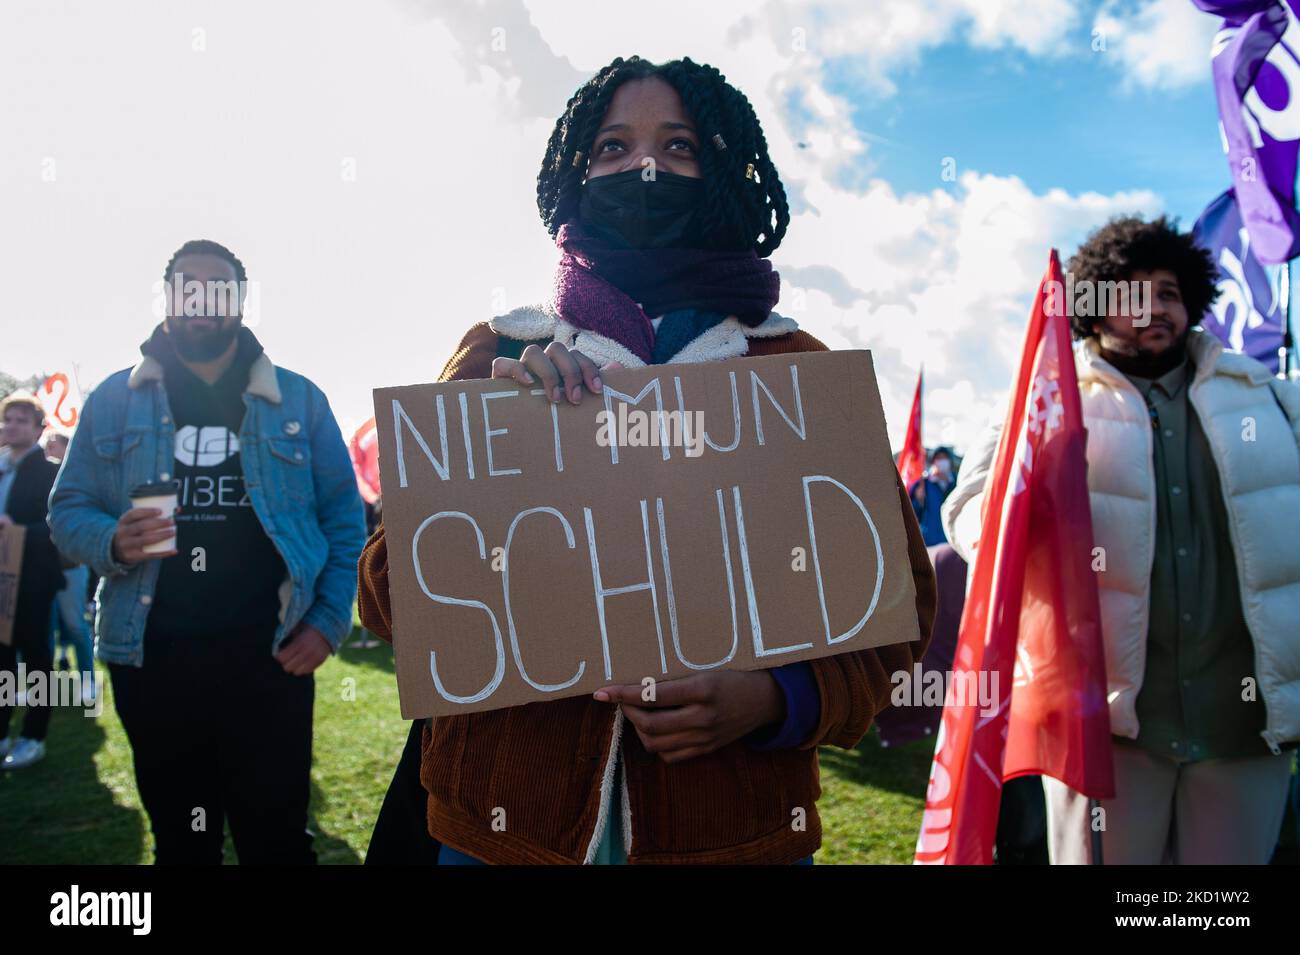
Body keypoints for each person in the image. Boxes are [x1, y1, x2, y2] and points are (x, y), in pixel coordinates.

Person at [359, 56, 936, 865]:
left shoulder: (797, 372)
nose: (646, 168)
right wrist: (500, 447)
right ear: (574, 172)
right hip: (501, 834)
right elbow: (388, 602)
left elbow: (894, 606)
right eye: (612, 148)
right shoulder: (502, 351)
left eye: (680, 146)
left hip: (735, 834)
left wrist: (776, 697)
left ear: (724, 172)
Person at [943, 215, 1300, 864]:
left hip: (1244, 727)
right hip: (1102, 727)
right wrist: (1027, 525)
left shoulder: (1264, 396)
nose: (1154, 307)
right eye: (1132, 294)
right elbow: (970, 508)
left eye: (1168, 291)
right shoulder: (1047, 397)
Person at [48, 239, 366, 864]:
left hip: (271, 660)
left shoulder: (300, 399)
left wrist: (329, 623)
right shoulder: (115, 399)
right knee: (182, 844)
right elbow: (67, 510)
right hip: (151, 660)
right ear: (167, 298)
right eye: (186, 286)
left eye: (217, 287)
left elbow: (344, 521)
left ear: (241, 303)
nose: (201, 300)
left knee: (275, 841)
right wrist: (110, 538)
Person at [0, 393, 67, 769]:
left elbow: (60, 526)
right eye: (8, 419)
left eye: (22, 421)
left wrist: (18, 530)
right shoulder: (1, 467)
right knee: (2, 660)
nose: (12, 426)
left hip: (33, 580)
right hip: (1, 579)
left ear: (40, 428)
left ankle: (33, 735)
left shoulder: (50, 472)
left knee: (37, 659)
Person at [41, 430, 97, 706]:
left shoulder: (75, 479)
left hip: (69, 566)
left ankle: (88, 684)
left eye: (55, 444)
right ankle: (47, 691)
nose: (49, 448)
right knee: (45, 632)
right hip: (40, 567)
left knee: (76, 626)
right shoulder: (36, 474)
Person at [908, 446, 955, 546]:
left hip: (952, 543)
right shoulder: (923, 484)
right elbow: (912, 515)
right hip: (929, 542)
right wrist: (918, 501)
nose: (942, 461)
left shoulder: (957, 482)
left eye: (945, 458)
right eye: (939, 458)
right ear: (933, 461)